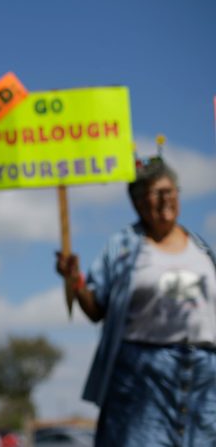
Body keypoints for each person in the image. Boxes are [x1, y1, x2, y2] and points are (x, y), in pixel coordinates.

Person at [56, 157, 216, 446]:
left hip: (204, 374)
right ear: (138, 203)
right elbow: (96, 310)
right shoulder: (123, 247)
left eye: (171, 191)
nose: (166, 199)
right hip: (143, 373)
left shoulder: (202, 249)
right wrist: (75, 280)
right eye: (156, 193)